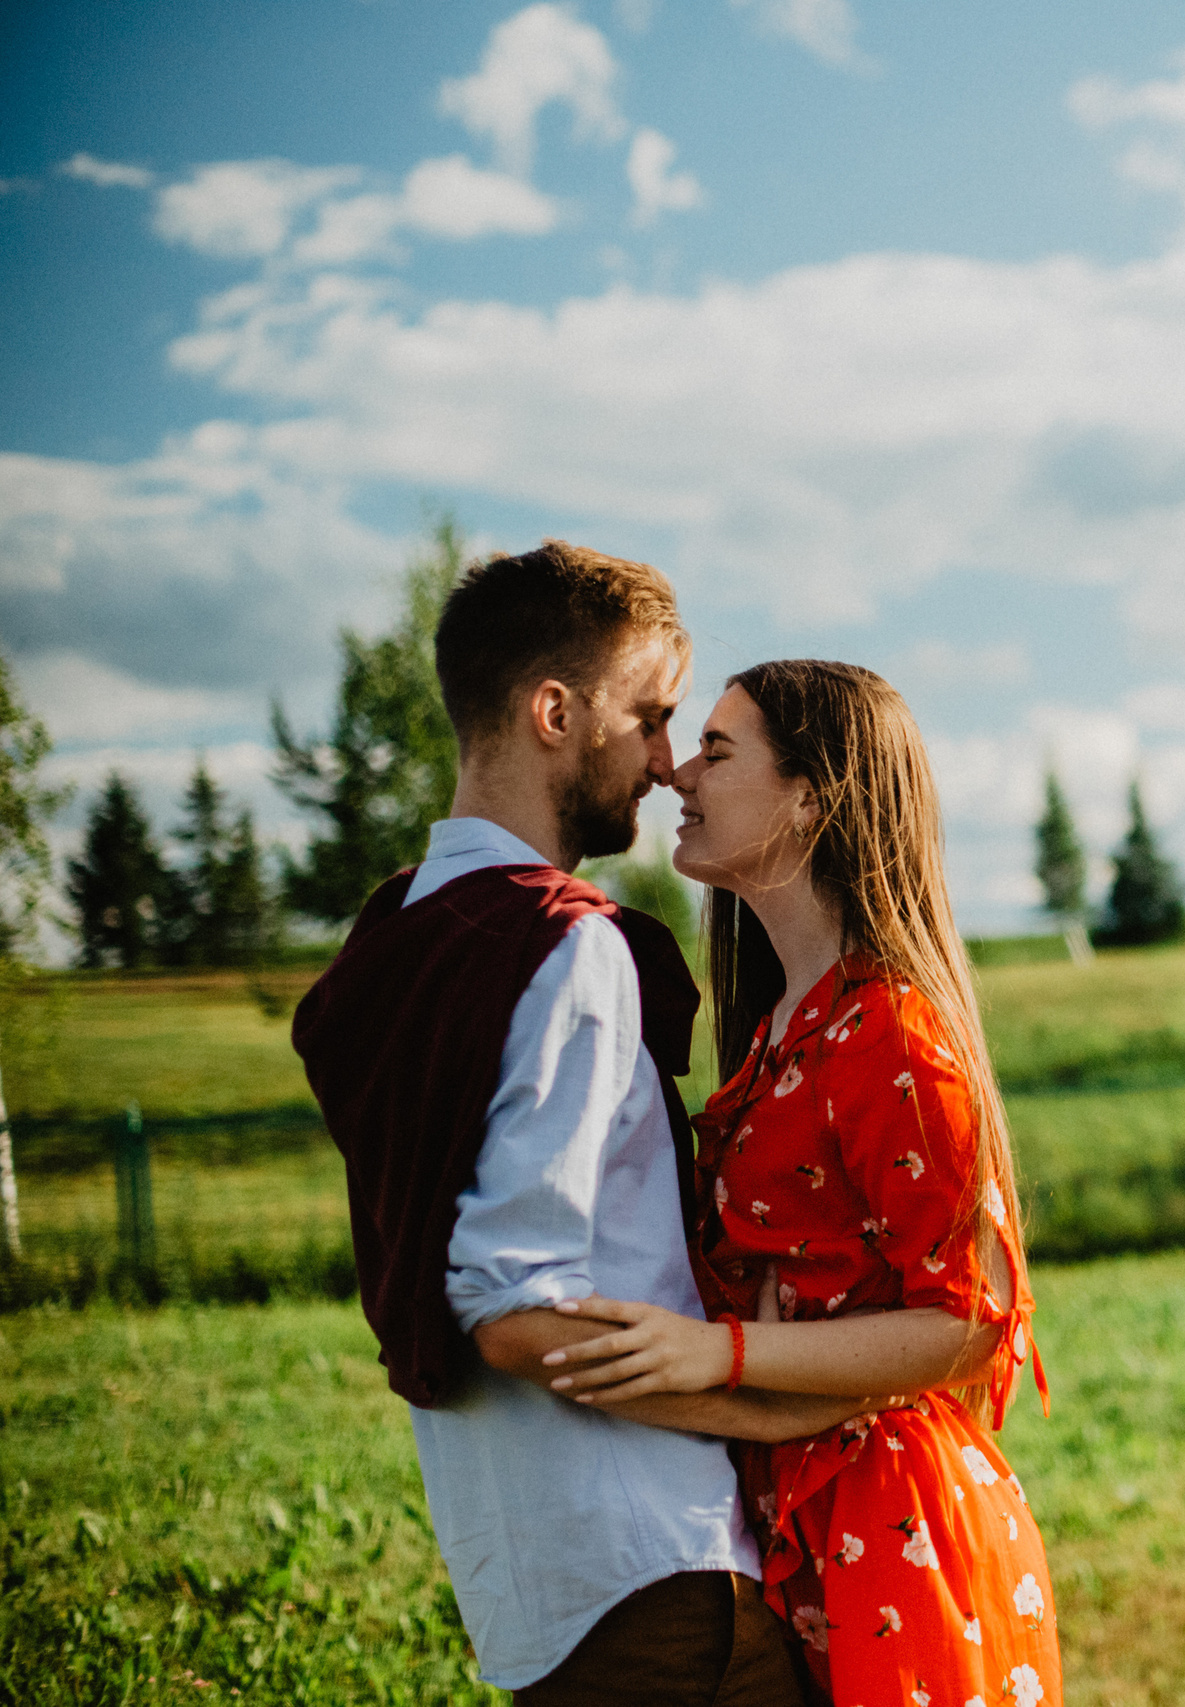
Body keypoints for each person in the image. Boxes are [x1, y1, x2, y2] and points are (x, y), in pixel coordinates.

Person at [293, 543, 874, 1705]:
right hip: (649, 1559)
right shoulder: (564, 947)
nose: (667, 766)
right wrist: (767, 1404)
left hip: (519, 1562)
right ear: (553, 713)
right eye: (649, 718)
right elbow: (509, 1304)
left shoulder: (398, 939)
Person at [535, 660, 1064, 1707]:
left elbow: (974, 1319)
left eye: (719, 751)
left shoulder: (891, 1031)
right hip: (794, 1513)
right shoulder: (783, 1027)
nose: (678, 774)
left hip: (887, 1533)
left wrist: (719, 1355)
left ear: (813, 795)